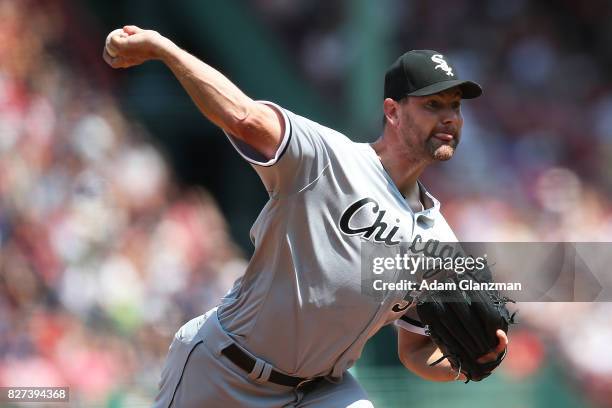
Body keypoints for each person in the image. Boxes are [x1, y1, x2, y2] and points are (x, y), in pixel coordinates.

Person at [104, 26, 508, 408]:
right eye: (432, 104)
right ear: (393, 112)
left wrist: (462, 363)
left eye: (455, 106)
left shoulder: (439, 238)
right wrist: (165, 49)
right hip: (226, 370)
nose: (449, 117)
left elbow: (416, 349)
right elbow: (243, 116)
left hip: (321, 391)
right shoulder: (327, 158)